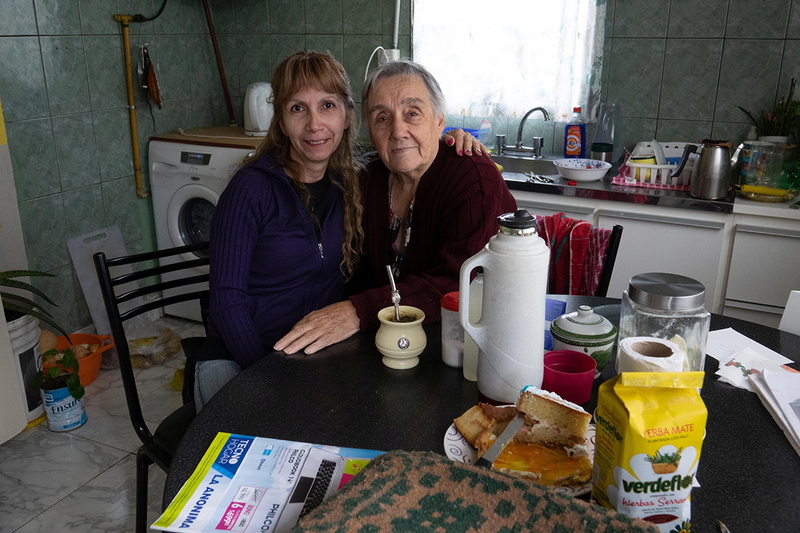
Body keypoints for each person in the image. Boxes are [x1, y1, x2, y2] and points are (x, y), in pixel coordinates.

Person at [194, 51, 484, 410]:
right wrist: (268, 375)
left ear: (346, 117)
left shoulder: (351, 185)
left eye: (327, 105)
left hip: (313, 355)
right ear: (281, 121)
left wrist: (448, 138)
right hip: (240, 359)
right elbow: (226, 303)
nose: (315, 124)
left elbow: (412, 149)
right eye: (298, 108)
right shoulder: (251, 190)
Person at [275, 59, 517, 355]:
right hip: (387, 346)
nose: (398, 130)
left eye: (412, 113)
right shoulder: (367, 181)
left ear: (439, 121)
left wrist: (356, 311)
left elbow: (460, 282)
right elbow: (353, 273)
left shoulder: (473, 178)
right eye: (382, 118)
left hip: (464, 350)